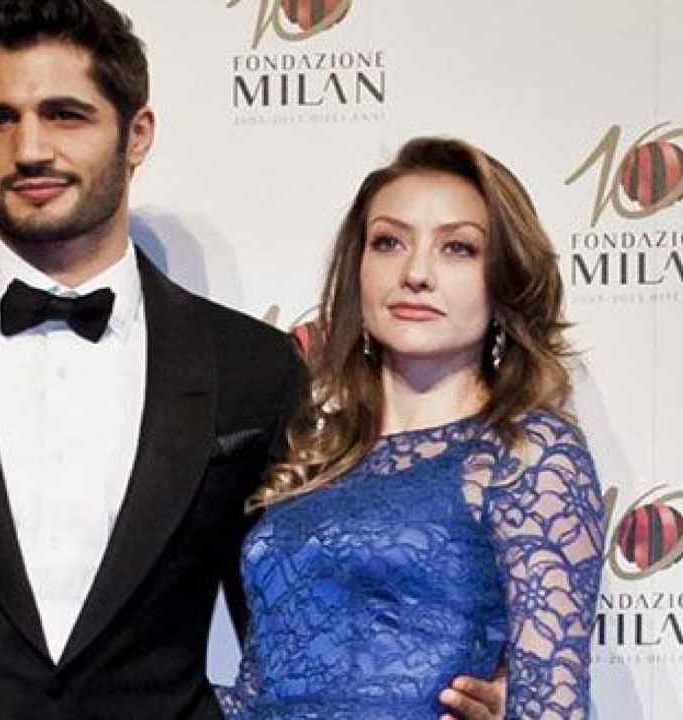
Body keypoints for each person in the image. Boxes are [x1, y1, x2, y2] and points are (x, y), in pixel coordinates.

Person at [0, 1, 504, 717]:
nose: (30, 149)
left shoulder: (252, 367)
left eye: (65, 115)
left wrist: (478, 695)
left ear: (138, 134)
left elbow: (301, 629)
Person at [215, 138, 605, 719]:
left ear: (505, 278)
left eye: (458, 248)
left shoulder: (527, 453)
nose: (416, 273)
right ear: (358, 267)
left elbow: (553, 705)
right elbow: (262, 688)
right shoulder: (315, 453)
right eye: (389, 242)